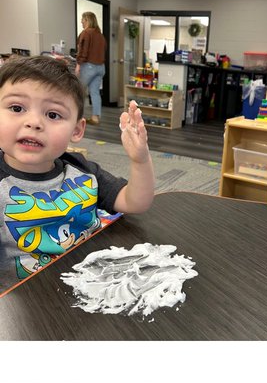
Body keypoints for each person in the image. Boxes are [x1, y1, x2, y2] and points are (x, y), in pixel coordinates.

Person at [0, 55, 154, 294]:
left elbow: (135, 202)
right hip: (32, 298)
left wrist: (140, 160)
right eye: (17, 108)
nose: (34, 122)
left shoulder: (81, 170)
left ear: (77, 130)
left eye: (53, 115)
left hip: (94, 282)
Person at [75, 11, 106, 125]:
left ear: (87, 20)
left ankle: (77, 118)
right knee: (95, 92)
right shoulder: (100, 36)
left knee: (78, 92)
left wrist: (78, 64)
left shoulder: (86, 33)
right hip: (101, 67)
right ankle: (95, 118)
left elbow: (83, 51)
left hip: (88, 67)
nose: (81, 22)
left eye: (82, 19)